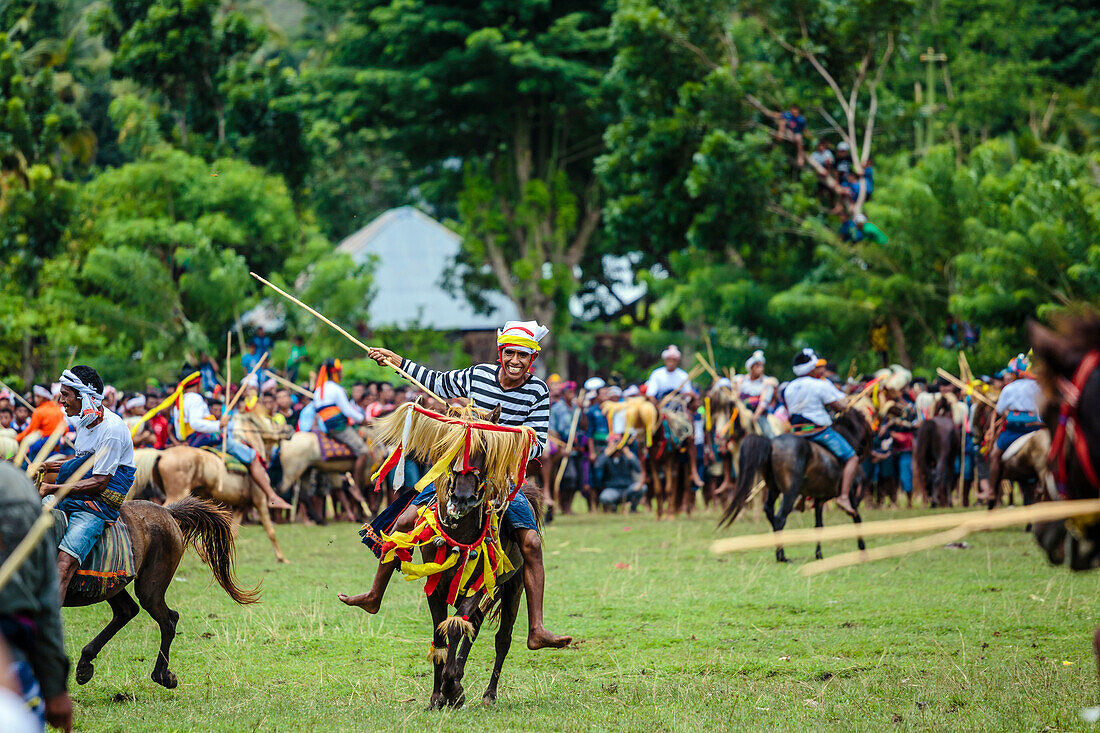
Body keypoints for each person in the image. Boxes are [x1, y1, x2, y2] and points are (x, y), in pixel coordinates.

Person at [340, 319, 571, 650]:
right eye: (510, 354)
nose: (515, 362)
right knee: (403, 522)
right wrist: (396, 361)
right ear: (501, 354)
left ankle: (536, 628)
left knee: (531, 542)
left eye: (523, 356)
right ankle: (375, 594)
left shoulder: (539, 391)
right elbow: (435, 380)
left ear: (530, 360)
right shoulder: (477, 375)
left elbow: (538, 444)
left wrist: (497, 441)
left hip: (502, 480)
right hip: (459, 471)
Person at [36, 366, 136, 607]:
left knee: (63, 567)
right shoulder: (83, 421)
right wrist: (46, 466)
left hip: (96, 505)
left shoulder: (111, 430)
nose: (61, 400)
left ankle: (48, 638)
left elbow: (99, 482)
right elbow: (80, 462)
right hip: (75, 495)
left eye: (66, 394)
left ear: (85, 397)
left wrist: (53, 489)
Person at [0, 462, 73, 732]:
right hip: (14, 663)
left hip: (97, 508)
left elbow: (104, 482)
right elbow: (44, 601)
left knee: (67, 557)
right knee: (60, 567)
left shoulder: (109, 431)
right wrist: (54, 687)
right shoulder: (15, 485)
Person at [171, 372, 291, 511]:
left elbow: (181, 431)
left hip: (190, 441)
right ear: (197, 384)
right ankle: (271, 496)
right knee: (252, 456)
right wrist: (219, 425)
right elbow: (195, 423)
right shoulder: (196, 398)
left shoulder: (179, 400)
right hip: (210, 439)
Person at [784, 349, 859, 516]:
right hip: (818, 431)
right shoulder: (818, 384)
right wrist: (845, 406)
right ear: (811, 367)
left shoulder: (789, 387)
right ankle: (844, 497)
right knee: (852, 457)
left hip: (796, 433)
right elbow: (837, 406)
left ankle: (800, 494)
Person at [982, 354, 1043, 505]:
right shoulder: (1039, 387)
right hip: (1036, 429)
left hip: (1014, 431)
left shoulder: (1009, 388)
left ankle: (991, 491)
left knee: (995, 455)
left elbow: (1001, 409)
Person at [313, 359, 371, 482]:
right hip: (339, 428)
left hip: (326, 427)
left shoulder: (318, 390)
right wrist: (363, 419)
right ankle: (356, 486)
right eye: (340, 372)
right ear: (334, 373)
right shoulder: (336, 389)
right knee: (363, 451)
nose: (341, 375)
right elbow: (347, 411)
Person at [738, 351, 777, 438]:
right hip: (742, 417)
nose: (761, 368)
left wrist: (754, 417)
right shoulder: (741, 381)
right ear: (751, 368)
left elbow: (764, 403)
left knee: (770, 436)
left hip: (759, 417)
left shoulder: (766, 382)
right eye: (758, 366)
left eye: (762, 366)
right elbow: (738, 399)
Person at [596, 440, 644, 512]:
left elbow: (639, 469)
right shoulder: (607, 459)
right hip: (613, 489)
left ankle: (633, 509)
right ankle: (613, 508)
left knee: (642, 487)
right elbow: (597, 466)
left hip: (628, 488)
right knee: (604, 497)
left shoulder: (626, 457)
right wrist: (605, 454)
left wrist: (629, 454)